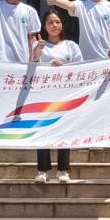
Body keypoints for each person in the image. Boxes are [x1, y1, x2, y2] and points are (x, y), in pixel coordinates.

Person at [30, 11, 84, 183]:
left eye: (57, 22)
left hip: (65, 96)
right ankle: (42, 170)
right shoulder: (39, 45)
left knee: (63, 130)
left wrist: (65, 65)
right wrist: (38, 50)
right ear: (44, 26)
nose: (54, 25)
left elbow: (81, 69)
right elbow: (31, 64)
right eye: (50, 22)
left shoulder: (71, 46)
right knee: (42, 130)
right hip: (44, 95)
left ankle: (63, 170)